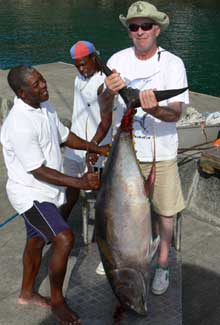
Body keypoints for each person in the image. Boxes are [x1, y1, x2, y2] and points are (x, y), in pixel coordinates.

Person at [0, 65, 109, 324]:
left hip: (47, 190)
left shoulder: (43, 106)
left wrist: (94, 147)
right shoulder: (19, 124)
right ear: (22, 93)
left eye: (43, 80)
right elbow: (38, 171)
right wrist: (80, 182)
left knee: (37, 241)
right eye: (36, 84)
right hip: (31, 194)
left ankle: (26, 293)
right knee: (63, 238)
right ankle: (57, 301)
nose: (44, 86)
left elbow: (64, 136)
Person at [95, 1, 189, 296]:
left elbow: (175, 113)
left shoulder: (172, 64)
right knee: (117, 213)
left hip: (161, 151)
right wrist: (109, 91)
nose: (139, 31)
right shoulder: (118, 60)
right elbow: (103, 104)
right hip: (127, 154)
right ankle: (121, 255)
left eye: (145, 26)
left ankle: (161, 265)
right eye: (134, 27)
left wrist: (155, 109)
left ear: (157, 29)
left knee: (165, 212)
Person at [63, 40, 111, 224]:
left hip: (96, 148)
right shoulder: (79, 78)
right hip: (75, 147)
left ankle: (103, 231)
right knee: (70, 189)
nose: (81, 69)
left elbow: (106, 121)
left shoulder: (104, 83)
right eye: (77, 66)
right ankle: (59, 227)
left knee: (99, 191)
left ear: (94, 57)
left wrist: (93, 147)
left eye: (83, 64)